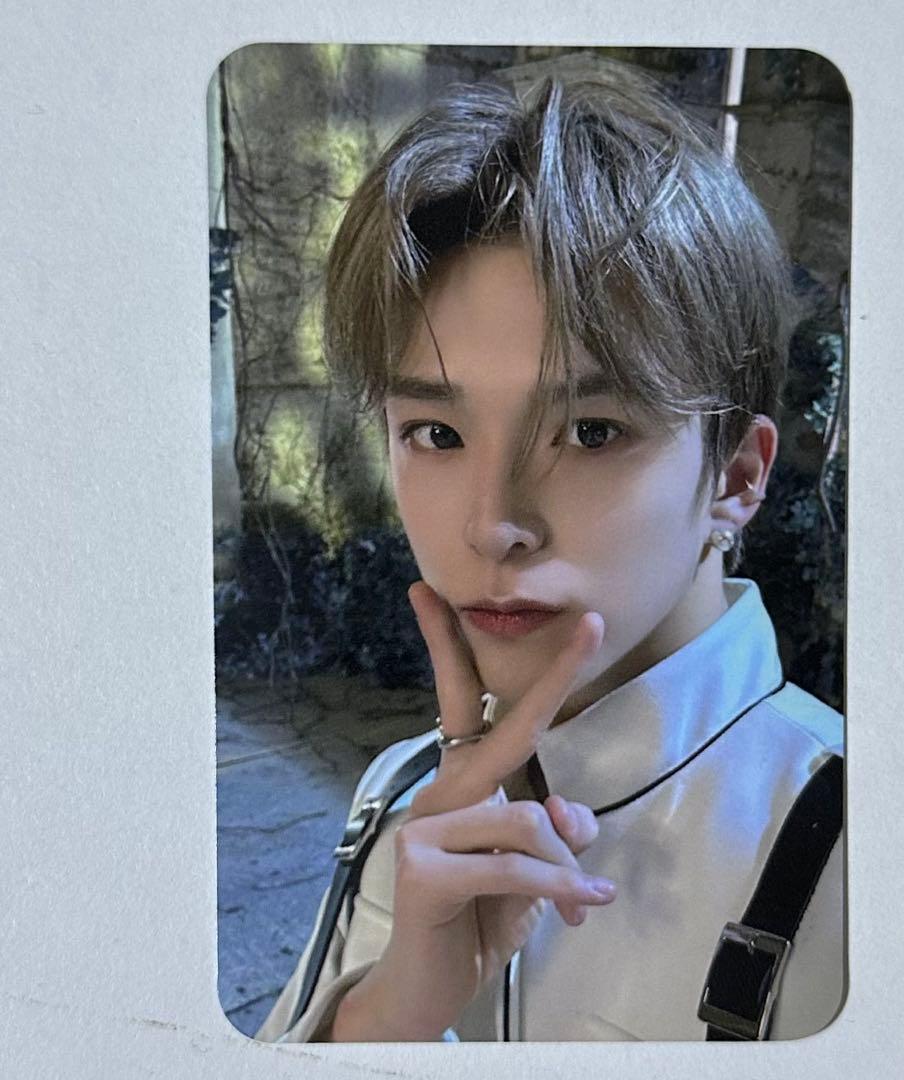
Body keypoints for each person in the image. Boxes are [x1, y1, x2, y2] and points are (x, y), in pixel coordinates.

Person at [255, 58, 845, 1044]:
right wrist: (391, 1015)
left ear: (738, 476)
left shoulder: (863, 863)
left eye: (592, 432)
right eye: (436, 434)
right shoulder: (402, 794)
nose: (494, 525)